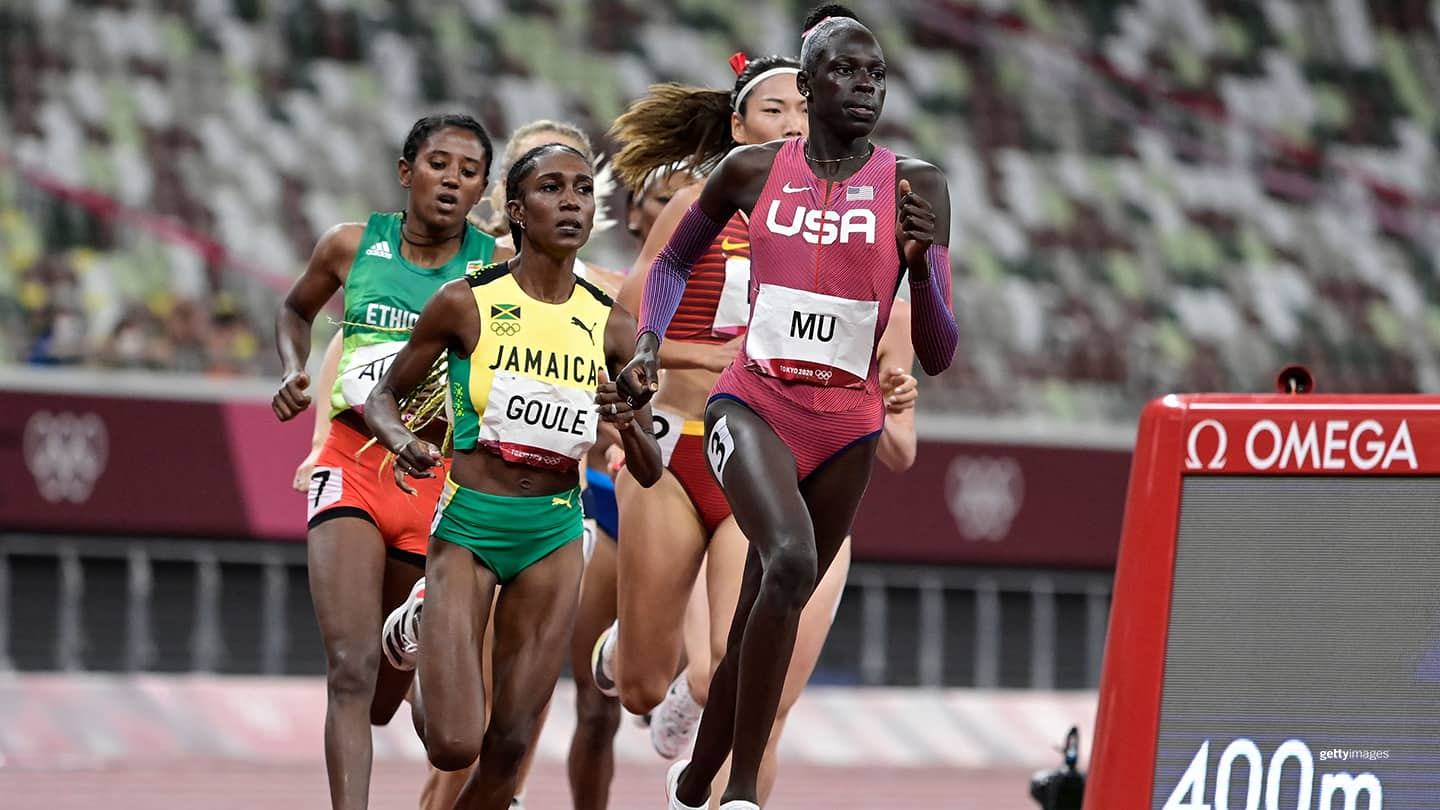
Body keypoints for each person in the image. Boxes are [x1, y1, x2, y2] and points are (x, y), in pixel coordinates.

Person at [618, 11, 959, 809]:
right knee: (792, 561)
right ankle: (738, 792)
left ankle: (696, 778)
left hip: (847, 425)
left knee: (769, 602)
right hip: (753, 404)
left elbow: (940, 350)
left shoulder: (919, 185)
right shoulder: (750, 172)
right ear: (808, 87)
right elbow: (669, 264)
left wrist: (919, 263)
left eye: (876, 73)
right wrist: (647, 346)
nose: (865, 86)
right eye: (846, 71)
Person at [365, 143, 663, 810]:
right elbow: (383, 396)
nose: (571, 202)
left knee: (508, 752)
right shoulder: (464, 304)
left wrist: (633, 416)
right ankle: (418, 630)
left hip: (553, 536)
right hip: (470, 524)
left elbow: (649, 469)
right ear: (517, 212)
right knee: (453, 744)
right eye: (552, 189)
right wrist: (401, 439)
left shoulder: (609, 322)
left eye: (583, 191)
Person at [271, 114, 497, 810]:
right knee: (349, 670)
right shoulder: (350, 244)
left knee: (392, 707)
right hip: (353, 462)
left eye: (469, 170)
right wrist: (293, 367)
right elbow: (295, 308)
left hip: (438, 480)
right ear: (407, 173)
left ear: (483, 188)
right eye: (438, 164)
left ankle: (408, 634)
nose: (452, 179)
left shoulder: (495, 269)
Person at [565, 164, 701, 810]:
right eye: (661, 201)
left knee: (691, 679)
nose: (678, 208)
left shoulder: (730, 283)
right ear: (640, 215)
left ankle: (697, 785)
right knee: (598, 712)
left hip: (696, 482)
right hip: (609, 494)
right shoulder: (605, 291)